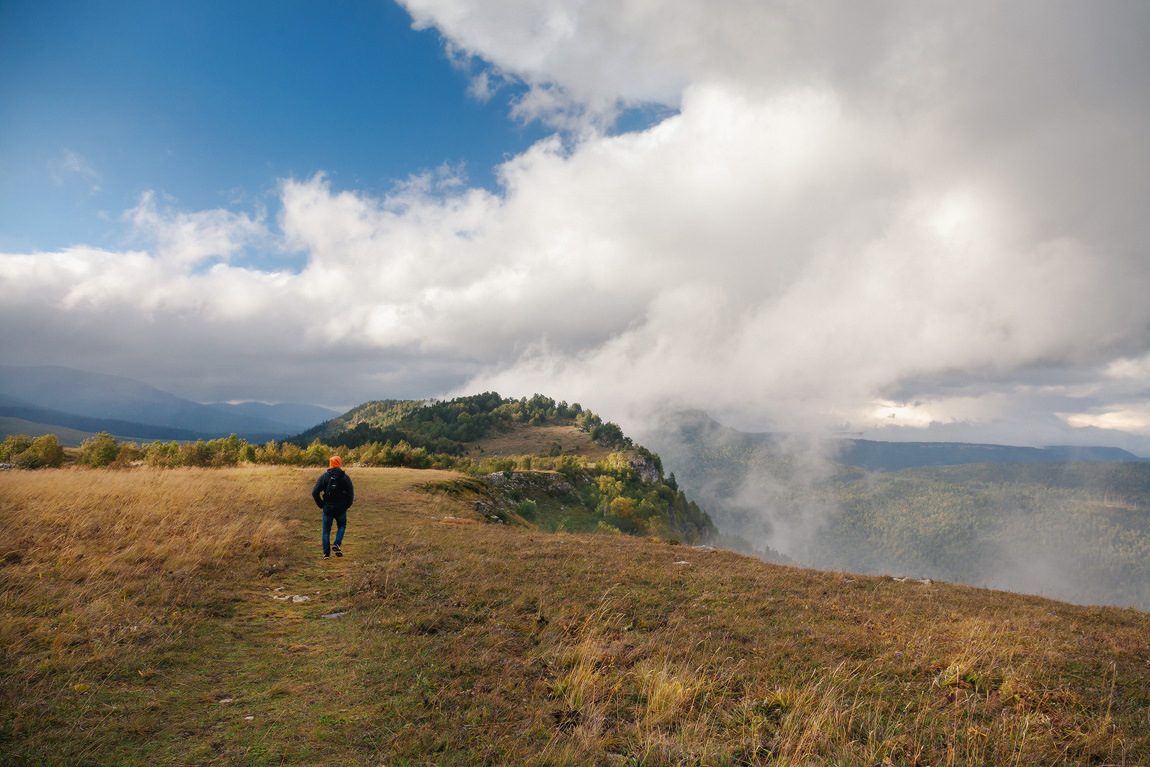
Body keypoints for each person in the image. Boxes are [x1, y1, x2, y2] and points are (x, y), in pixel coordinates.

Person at [312, 456, 354, 559]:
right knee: (342, 526)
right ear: (340, 463)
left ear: (330, 463)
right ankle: (337, 544)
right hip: (341, 508)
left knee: (326, 530)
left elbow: (315, 492)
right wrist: (347, 505)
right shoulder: (345, 477)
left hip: (327, 508)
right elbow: (350, 493)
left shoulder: (324, 477)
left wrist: (321, 504)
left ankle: (326, 554)